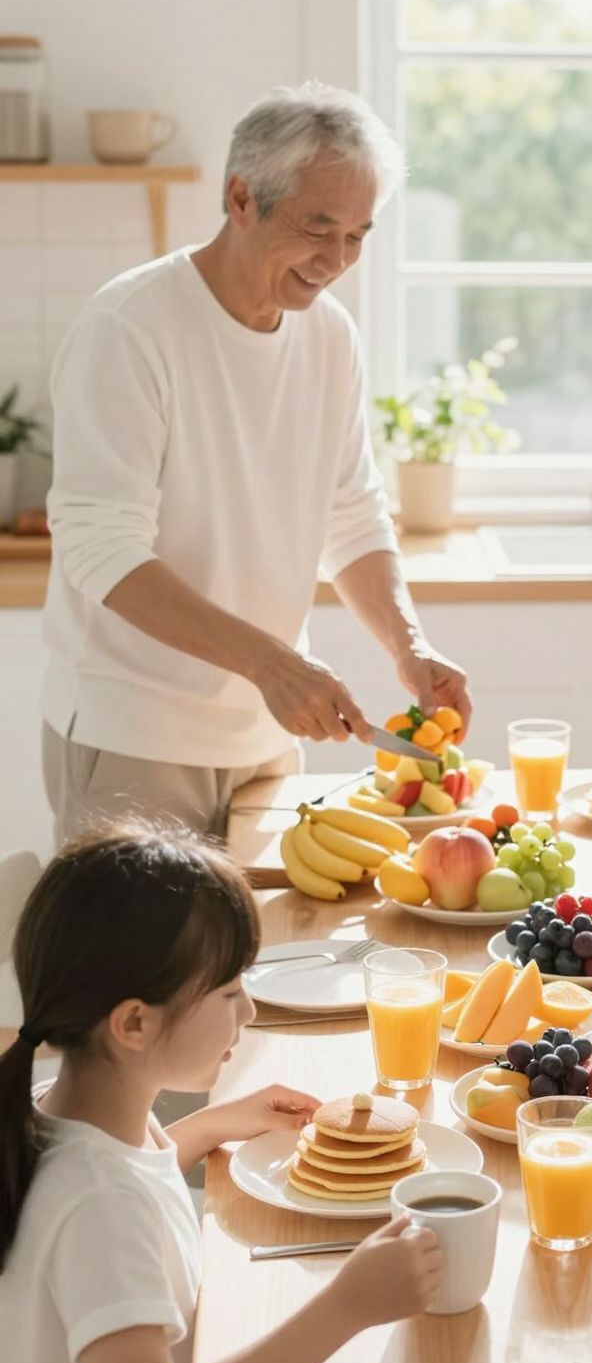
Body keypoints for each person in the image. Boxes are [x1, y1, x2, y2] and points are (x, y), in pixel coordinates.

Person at [0, 826, 496, 1363]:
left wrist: (206, 1130)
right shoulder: (96, 1206)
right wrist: (347, 1304)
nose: (250, 1015)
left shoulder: (71, 1118)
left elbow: (117, 1199)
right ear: (134, 1023)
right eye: (229, 993)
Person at [42, 82, 471, 846]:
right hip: (136, 736)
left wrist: (410, 647)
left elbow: (351, 511)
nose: (336, 260)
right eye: (318, 227)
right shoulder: (130, 327)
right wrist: (274, 666)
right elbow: (99, 547)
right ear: (241, 198)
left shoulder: (329, 335)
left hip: (264, 740)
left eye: (359, 235)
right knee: (146, 970)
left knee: (259, 962)